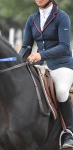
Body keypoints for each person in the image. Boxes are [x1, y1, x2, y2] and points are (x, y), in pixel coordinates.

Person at [19, 0, 73, 149]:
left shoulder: (62, 17)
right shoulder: (32, 19)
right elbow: (26, 46)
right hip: (40, 64)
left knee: (61, 90)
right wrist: (17, 62)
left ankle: (69, 132)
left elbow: (64, 46)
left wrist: (41, 55)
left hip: (61, 64)